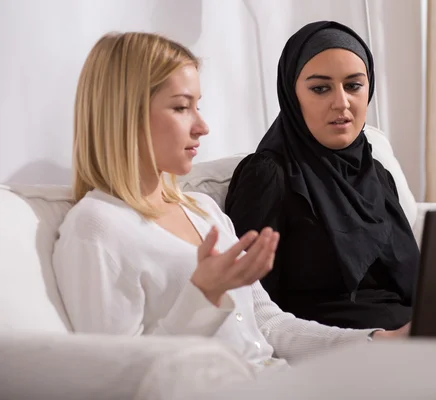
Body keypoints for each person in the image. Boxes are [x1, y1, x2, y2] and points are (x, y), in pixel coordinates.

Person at [51, 31, 408, 375]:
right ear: (125, 115)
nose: (202, 126)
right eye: (180, 108)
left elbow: (269, 325)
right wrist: (202, 294)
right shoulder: (96, 227)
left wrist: (376, 342)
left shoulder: (202, 210)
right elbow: (116, 377)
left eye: (198, 107)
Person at [225, 21, 420, 331]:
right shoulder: (268, 175)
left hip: (414, 335)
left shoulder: (377, 173)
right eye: (320, 88)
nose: (341, 102)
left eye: (354, 86)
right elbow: (250, 304)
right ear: (292, 94)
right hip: (334, 348)